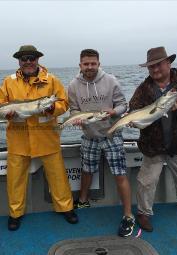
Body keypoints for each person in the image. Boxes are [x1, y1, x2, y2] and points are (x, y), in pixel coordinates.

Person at [0, 45, 78, 231]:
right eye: (24, 58)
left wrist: (51, 109)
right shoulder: (9, 81)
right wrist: (7, 113)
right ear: (19, 61)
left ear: (38, 59)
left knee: (58, 177)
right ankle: (15, 213)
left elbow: (64, 103)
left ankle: (66, 208)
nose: (28, 61)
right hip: (18, 139)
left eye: (32, 58)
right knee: (15, 180)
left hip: (47, 136)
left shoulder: (52, 80)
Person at [129, 46, 177, 232]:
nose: (155, 70)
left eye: (159, 65)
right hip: (153, 145)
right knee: (146, 181)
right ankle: (143, 212)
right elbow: (133, 108)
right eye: (151, 67)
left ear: (169, 63)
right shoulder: (144, 88)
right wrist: (133, 119)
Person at [68, 49, 135, 237]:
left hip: (112, 134)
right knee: (87, 170)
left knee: (120, 174)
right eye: (86, 64)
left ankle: (128, 215)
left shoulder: (111, 80)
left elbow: (123, 105)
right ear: (80, 65)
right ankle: (82, 200)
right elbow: (73, 109)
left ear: (99, 63)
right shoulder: (73, 85)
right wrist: (75, 118)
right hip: (89, 136)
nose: (89, 67)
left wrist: (114, 112)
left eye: (93, 63)